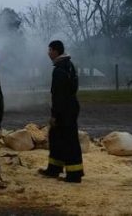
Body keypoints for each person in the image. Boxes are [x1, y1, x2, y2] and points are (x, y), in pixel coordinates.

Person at [39, 40, 83, 183]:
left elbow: (58, 95)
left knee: (69, 140)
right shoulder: (68, 65)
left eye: (50, 50)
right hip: (70, 106)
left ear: (56, 51)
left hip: (65, 109)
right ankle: (54, 168)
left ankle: (74, 174)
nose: (48, 53)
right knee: (56, 137)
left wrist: (54, 115)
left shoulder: (59, 70)